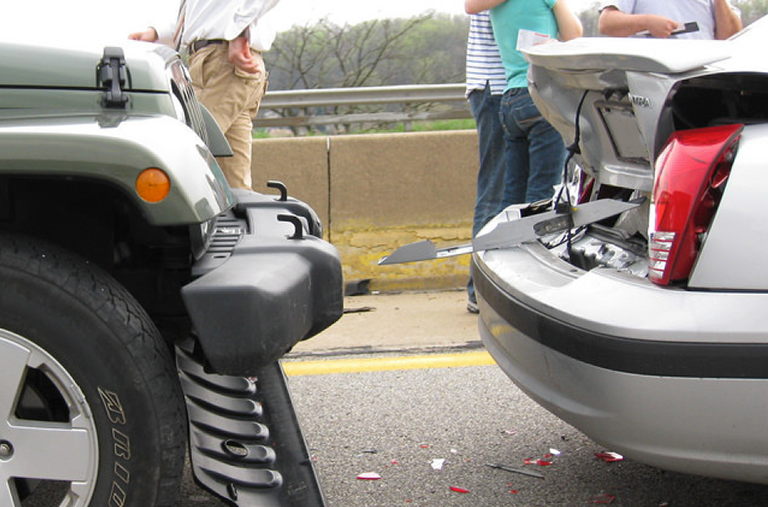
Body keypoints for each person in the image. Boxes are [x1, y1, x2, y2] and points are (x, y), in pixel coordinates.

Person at [130, 0, 281, 190]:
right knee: (234, 184)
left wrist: (239, 31)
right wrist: (159, 33)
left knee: (183, 153)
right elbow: (206, 11)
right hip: (222, 62)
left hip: (223, 61)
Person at [464, 0, 582, 209]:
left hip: (511, 99)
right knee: (542, 193)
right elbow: (574, 34)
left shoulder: (496, 7)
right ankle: (533, 241)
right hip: (542, 95)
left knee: (512, 194)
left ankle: (503, 240)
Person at [464, 12, 512, 314]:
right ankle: (479, 287)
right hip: (495, 87)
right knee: (494, 190)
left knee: (519, 196)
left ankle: (506, 286)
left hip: (521, 87)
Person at [598, 0, 742, 40]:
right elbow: (607, 23)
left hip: (703, 80)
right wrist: (646, 22)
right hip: (655, 80)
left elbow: (731, 38)